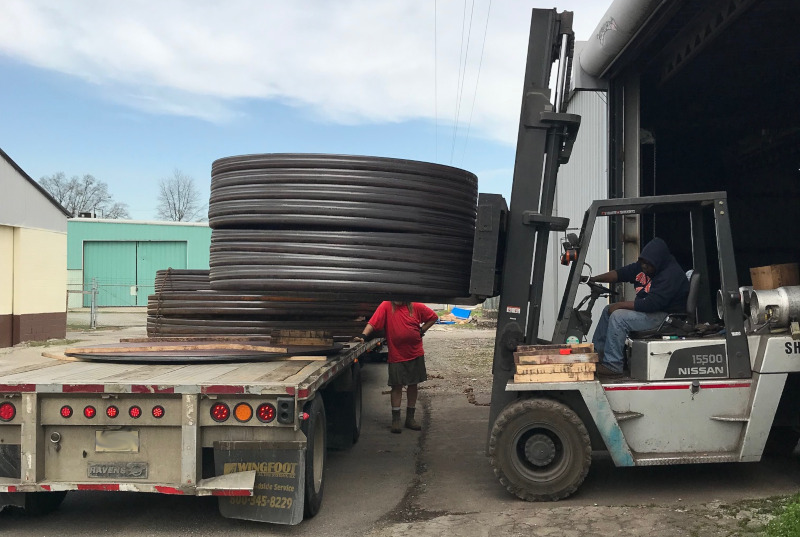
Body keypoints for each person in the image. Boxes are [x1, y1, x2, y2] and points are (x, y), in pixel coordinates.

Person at [589, 237, 689, 378]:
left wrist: (620, 305)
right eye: (643, 263)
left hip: (664, 316)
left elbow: (651, 304)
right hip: (652, 312)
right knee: (608, 310)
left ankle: (613, 366)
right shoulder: (644, 266)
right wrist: (593, 279)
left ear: (658, 262)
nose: (644, 267)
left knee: (618, 317)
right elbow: (620, 274)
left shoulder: (670, 275)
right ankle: (598, 358)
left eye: (648, 265)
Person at [354, 301, 438, 433]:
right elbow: (373, 323)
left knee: (413, 384)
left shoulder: (416, 306)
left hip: (415, 352)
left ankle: (410, 418)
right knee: (396, 386)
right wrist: (363, 335)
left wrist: (422, 330)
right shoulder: (386, 305)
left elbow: (433, 317)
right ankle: (396, 420)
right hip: (397, 354)